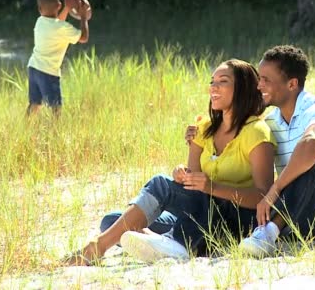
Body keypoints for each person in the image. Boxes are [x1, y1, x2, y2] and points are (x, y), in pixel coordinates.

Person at [64, 59, 277, 266]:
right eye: (212, 81)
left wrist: (211, 187)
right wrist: (183, 174)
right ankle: (168, 241)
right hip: (202, 214)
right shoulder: (204, 128)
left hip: (236, 219)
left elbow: (263, 197)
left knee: (158, 185)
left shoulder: (256, 132)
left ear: (242, 88)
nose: (213, 86)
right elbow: (193, 189)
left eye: (223, 81)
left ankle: (99, 248)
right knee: (112, 221)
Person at [187, 45, 315, 258]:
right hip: (300, 218)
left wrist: (274, 190)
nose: (259, 85)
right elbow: (239, 129)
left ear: (292, 84)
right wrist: (200, 132)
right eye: (259, 79)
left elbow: (314, 140)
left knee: (310, 157)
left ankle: (268, 231)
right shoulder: (271, 122)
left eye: (266, 80)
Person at [26, 0, 89, 118]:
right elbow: (83, 38)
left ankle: (24, 129)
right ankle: (55, 134)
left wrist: (67, 9)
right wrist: (83, 17)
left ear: (39, 9)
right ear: (58, 6)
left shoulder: (40, 21)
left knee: (35, 104)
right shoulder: (63, 28)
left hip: (33, 68)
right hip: (48, 72)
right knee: (56, 108)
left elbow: (56, 21)